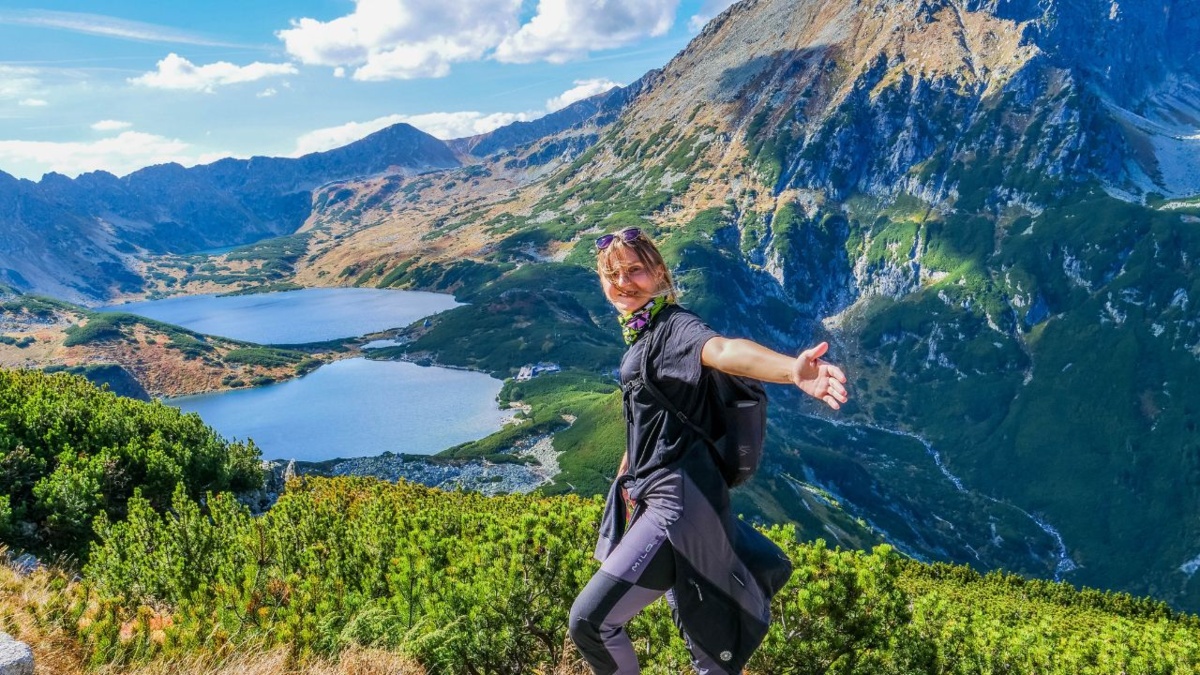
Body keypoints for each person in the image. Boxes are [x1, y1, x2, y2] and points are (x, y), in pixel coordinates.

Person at [568, 226, 849, 675]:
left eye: (634, 271)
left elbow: (722, 349)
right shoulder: (644, 334)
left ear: (658, 271)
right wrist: (628, 471)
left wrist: (791, 371)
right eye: (612, 274)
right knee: (703, 644)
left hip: (675, 505)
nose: (622, 282)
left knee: (591, 623)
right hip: (664, 496)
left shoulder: (674, 327)